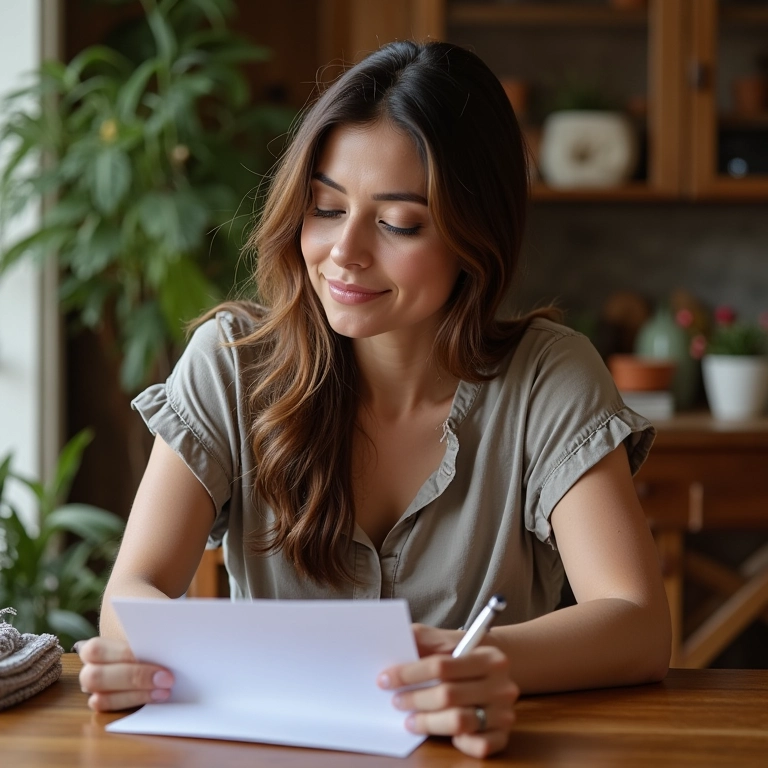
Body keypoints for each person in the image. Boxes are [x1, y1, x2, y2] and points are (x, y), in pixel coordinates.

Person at [77, 40, 671, 758]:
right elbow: (132, 592)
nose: (345, 252)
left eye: (399, 224)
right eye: (326, 208)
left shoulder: (549, 377)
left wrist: (468, 664)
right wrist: (144, 653)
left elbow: (638, 621)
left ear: (476, 236)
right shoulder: (232, 364)